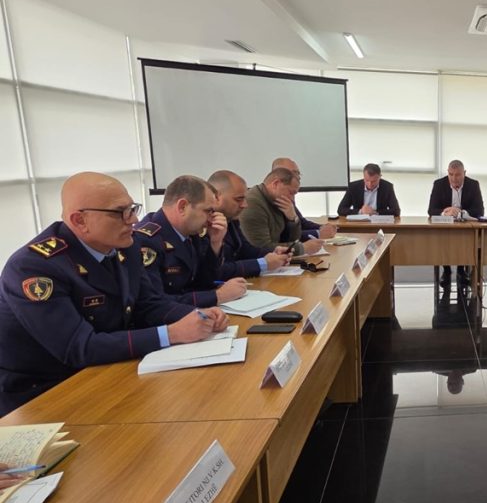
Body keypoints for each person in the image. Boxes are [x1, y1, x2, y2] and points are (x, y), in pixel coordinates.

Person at [0, 172, 227, 415]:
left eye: (132, 208)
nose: (133, 219)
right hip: (42, 393)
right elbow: (79, 347)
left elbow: (148, 304)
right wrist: (172, 333)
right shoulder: (34, 268)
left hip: (104, 370)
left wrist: (199, 315)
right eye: (121, 212)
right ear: (80, 220)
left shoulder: (125, 246)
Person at [135, 176, 248, 307]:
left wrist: (215, 243)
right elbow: (155, 303)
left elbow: (204, 280)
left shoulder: (192, 232)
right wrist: (218, 296)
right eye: (208, 211)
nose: (211, 219)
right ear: (182, 207)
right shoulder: (147, 241)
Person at [208, 170, 292, 279]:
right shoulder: (202, 225)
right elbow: (217, 270)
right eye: (239, 199)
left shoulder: (230, 218)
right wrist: (263, 264)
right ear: (216, 197)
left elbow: (245, 249)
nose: (245, 205)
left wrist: (274, 253)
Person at [428, 159, 485, 288]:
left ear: (464, 173)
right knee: (442, 239)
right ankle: (446, 270)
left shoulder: (473, 185)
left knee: (466, 238)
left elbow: (479, 210)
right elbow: (431, 210)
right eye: (451, 174)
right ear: (447, 172)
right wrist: (446, 212)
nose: (454, 178)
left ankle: (461, 269)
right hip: (445, 226)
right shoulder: (439, 184)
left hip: (465, 226)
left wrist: (460, 212)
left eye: (458, 175)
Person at [239, 167, 323, 254]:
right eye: (291, 192)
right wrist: (302, 248)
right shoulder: (253, 204)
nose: (292, 199)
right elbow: (261, 248)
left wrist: (292, 219)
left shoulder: (277, 200)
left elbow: (292, 240)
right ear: (275, 184)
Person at [270, 157, 337, 241]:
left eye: (298, 173)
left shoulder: (287, 195)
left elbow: (301, 222)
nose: (297, 177)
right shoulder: (270, 199)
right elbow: (283, 236)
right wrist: (318, 233)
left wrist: (323, 227)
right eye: (293, 173)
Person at [337, 163, 401, 216]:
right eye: (367, 180)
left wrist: (375, 212)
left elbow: (396, 211)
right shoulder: (353, 187)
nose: (370, 184)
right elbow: (341, 210)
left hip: (379, 223)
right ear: (363, 176)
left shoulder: (387, 187)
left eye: (374, 181)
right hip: (359, 223)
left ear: (380, 177)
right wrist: (361, 211)